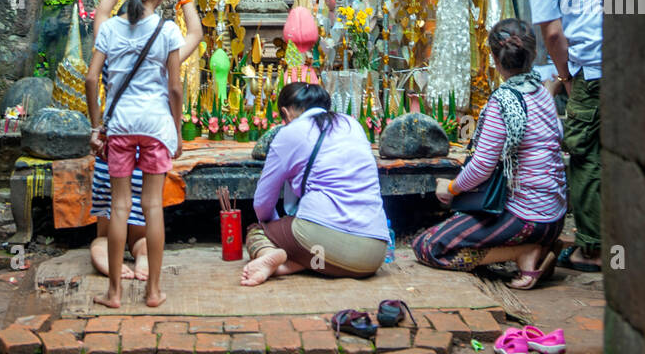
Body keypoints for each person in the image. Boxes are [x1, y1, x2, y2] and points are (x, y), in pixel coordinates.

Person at [412, 18, 566, 288]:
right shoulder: (542, 92)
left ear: (494, 58)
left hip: (526, 217)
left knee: (427, 246)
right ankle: (539, 248)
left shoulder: (502, 102)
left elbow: (482, 166)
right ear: (532, 54)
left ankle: (523, 252)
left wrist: (451, 187)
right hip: (555, 217)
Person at [495, 0, 603, 272]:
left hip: (590, 64)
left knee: (584, 151)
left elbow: (553, 34)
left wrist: (565, 77)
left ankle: (593, 248)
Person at [88, 0, 202, 282]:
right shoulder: (166, 38)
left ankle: (114, 281)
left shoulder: (109, 36)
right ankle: (147, 272)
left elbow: (100, 17)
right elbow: (195, 34)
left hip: (117, 137)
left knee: (104, 235)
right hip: (154, 133)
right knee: (150, 215)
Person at [241, 82, 388, 285]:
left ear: (286, 112)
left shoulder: (289, 133)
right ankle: (287, 265)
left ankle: (271, 254)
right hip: (372, 256)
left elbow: (262, 203)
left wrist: (274, 229)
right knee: (314, 251)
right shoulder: (352, 125)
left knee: (257, 231)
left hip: (321, 241)